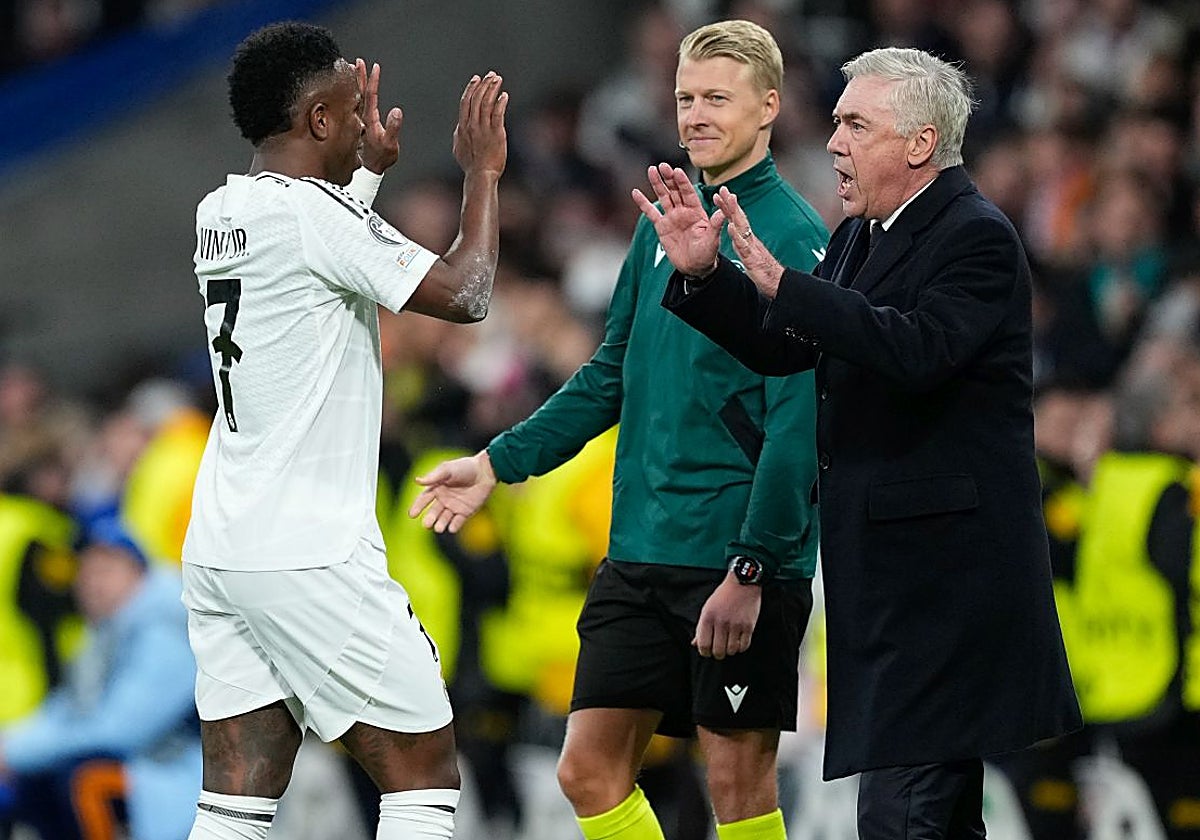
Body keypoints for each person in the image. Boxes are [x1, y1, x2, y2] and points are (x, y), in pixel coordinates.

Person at [637, 46, 1082, 839]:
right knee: (928, 818)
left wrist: (788, 287)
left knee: (903, 817)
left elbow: (918, 350)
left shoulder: (974, 234)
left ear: (917, 144)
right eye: (837, 122)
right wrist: (710, 280)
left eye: (854, 124)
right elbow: (792, 346)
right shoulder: (861, 236)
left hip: (947, 583)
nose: (833, 141)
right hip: (892, 585)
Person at [410, 19, 825, 840]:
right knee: (587, 770)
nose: (696, 114)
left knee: (738, 785)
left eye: (717, 98)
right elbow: (609, 376)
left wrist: (754, 567)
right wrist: (499, 461)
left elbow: (799, 426)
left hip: (734, 557)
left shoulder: (797, 239)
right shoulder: (658, 224)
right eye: (684, 98)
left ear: (770, 105)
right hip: (639, 550)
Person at [180, 21, 507, 840]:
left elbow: (308, 258)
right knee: (423, 772)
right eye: (348, 108)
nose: (366, 118)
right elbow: (466, 292)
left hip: (224, 545)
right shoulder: (312, 216)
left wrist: (361, 181)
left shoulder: (222, 208)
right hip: (308, 548)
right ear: (317, 123)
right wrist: (483, 174)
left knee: (238, 789)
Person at [0, 515, 200, 840]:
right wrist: (10, 745)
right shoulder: (104, 635)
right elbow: (66, 709)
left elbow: (121, 730)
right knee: (34, 778)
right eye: (85, 571)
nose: (91, 582)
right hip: (141, 770)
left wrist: (16, 752)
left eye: (105, 569)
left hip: (181, 778)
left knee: (83, 778)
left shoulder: (167, 630)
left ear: (138, 573)